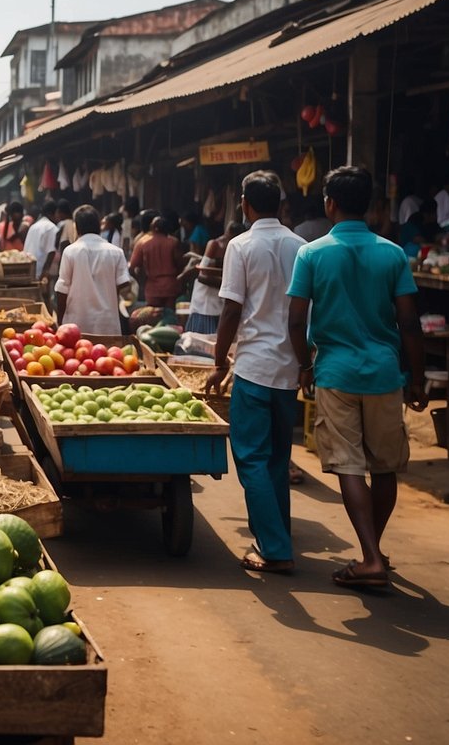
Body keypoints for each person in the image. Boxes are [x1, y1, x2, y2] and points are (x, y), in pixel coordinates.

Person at [289, 166, 428, 587]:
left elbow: (296, 322)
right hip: (385, 373)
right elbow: (409, 322)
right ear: (368, 204)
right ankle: (375, 551)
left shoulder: (311, 254)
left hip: (335, 372)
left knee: (348, 465)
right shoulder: (391, 253)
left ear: (329, 203)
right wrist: (417, 379)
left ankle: (370, 558)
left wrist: (306, 366)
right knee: (384, 467)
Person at [204, 172, 305, 575]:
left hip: (254, 366)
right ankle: (278, 532)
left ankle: (276, 549)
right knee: (278, 456)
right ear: (280, 203)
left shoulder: (241, 246)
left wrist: (219, 360)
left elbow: (230, 309)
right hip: (289, 366)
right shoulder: (301, 246)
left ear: (244, 203)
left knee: (251, 458)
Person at [54, 205, 130, 335]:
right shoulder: (116, 252)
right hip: (107, 324)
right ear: (99, 226)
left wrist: (60, 322)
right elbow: (124, 283)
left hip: (76, 326)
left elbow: (62, 291)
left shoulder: (70, 252)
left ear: (77, 227)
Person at [183, 221, 243, 335]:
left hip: (221, 300)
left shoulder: (237, 247)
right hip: (206, 301)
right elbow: (203, 274)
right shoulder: (215, 244)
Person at [129, 216, 185, 308]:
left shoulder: (143, 243)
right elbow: (180, 264)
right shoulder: (173, 242)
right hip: (171, 286)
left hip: (152, 288)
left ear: (152, 228)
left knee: (152, 317)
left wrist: (141, 281)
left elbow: (132, 267)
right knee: (170, 316)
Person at [24, 201, 61, 303]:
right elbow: (51, 251)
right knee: (44, 300)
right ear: (52, 213)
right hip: (40, 270)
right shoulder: (51, 228)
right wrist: (45, 272)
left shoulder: (34, 226)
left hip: (28, 269)